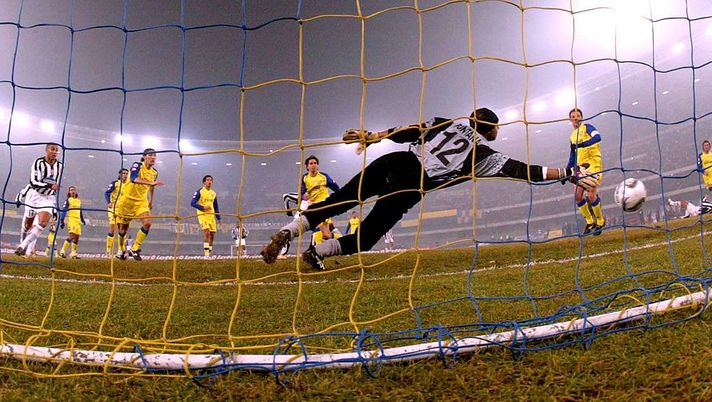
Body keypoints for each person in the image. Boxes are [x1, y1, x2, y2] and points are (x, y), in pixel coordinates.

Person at [261, 108, 597, 270]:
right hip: (411, 185)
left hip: (392, 161)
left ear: (469, 117)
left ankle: (288, 233)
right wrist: (568, 172)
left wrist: (375, 135)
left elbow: (409, 130)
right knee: (367, 236)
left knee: (338, 201)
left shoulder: (449, 123)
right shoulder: (485, 154)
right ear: (491, 131)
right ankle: (317, 253)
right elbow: (529, 172)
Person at [113, 148, 164, 261]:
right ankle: (121, 250)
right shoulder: (137, 165)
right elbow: (133, 178)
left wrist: (151, 200)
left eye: (155, 155)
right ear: (144, 156)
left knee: (148, 223)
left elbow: (152, 186)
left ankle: (135, 248)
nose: (153, 157)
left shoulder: (154, 172)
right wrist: (150, 182)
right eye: (150, 155)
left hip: (141, 202)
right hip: (127, 201)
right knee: (122, 230)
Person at [15, 143, 64, 256]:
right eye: (52, 149)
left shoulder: (60, 165)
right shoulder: (38, 162)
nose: (55, 152)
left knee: (42, 223)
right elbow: (33, 182)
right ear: (46, 150)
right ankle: (22, 241)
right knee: (28, 225)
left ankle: (22, 246)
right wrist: (49, 186)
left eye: (57, 150)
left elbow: (55, 183)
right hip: (34, 195)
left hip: (48, 198)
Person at [565, 108, 604, 235]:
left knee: (591, 195)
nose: (575, 117)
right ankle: (589, 221)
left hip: (593, 165)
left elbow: (598, 137)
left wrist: (583, 144)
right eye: (573, 116)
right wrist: (566, 171)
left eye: (578, 115)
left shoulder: (588, 127)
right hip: (580, 168)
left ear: (582, 117)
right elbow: (572, 155)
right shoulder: (572, 136)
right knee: (577, 196)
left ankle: (600, 221)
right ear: (570, 119)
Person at [301, 155, 340, 242]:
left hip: (325, 206)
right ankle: (340, 239)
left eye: (315, 163)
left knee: (326, 235)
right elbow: (302, 192)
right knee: (326, 235)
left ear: (318, 165)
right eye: (311, 163)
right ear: (307, 166)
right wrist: (304, 196)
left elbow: (336, 188)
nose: (313, 165)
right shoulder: (305, 178)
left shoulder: (324, 176)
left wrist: (340, 198)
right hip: (314, 207)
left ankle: (338, 241)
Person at [191, 175, 221, 257]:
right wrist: (202, 207)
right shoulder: (199, 192)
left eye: (211, 180)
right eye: (207, 180)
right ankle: (206, 255)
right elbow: (192, 203)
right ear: (204, 182)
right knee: (207, 233)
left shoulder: (213, 193)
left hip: (211, 216)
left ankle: (209, 253)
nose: (209, 181)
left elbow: (216, 206)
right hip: (202, 215)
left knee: (212, 235)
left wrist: (218, 218)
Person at [104, 168, 129, 257]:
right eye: (124, 173)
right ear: (120, 174)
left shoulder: (129, 185)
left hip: (123, 209)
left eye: (126, 173)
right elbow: (107, 193)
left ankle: (121, 251)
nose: (125, 175)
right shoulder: (115, 183)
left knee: (121, 229)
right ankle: (108, 251)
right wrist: (109, 202)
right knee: (112, 228)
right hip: (113, 208)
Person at [58, 185, 86, 259]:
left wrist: (82, 219)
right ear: (69, 192)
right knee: (72, 236)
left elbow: (80, 211)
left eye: (74, 190)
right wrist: (62, 220)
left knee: (77, 237)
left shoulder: (78, 200)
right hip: (71, 219)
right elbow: (64, 210)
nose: (73, 191)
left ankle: (73, 253)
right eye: (71, 190)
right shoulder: (68, 200)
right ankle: (62, 251)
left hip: (78, 220)